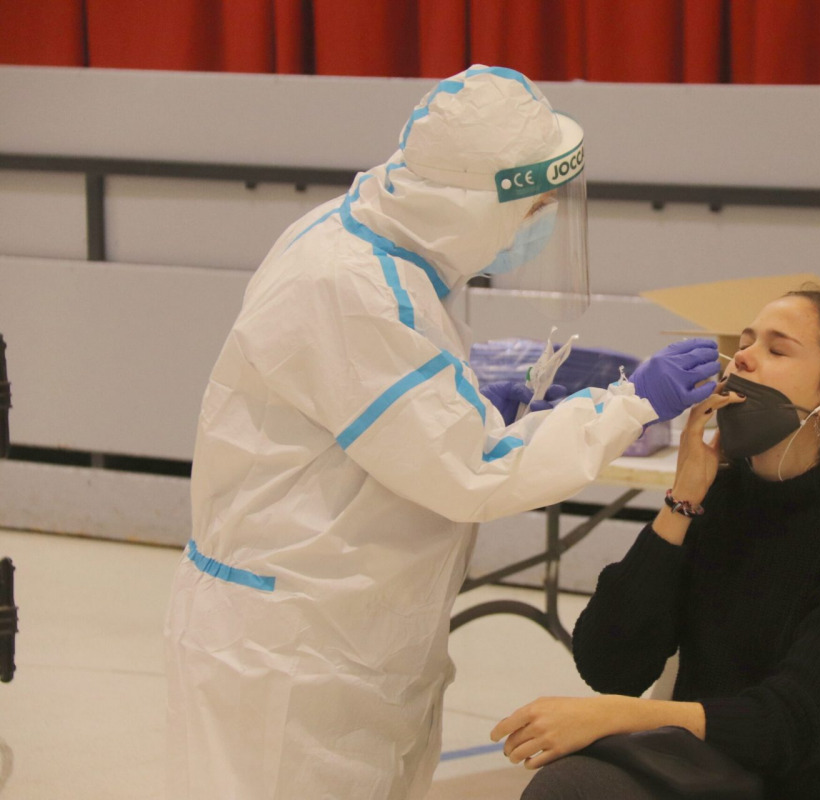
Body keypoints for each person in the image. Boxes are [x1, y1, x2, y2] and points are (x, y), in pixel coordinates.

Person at [162, 65, 720, 800]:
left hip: (349, 629)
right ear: (473, 206)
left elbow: (391, 416)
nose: (541, 222)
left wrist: (470, 399)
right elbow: (473, 470)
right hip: (293, 652)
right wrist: (629, 406)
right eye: (533, 207)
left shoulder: (378, 244)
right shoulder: (351, 284)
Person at [492, 288, 820, 800]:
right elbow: (609, 664)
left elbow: (800, 725)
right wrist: (681, 503)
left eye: (776, 349)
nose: (742, 358)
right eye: (744, 343)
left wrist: (617, 717)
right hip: (714, 770)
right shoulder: (720, 500)